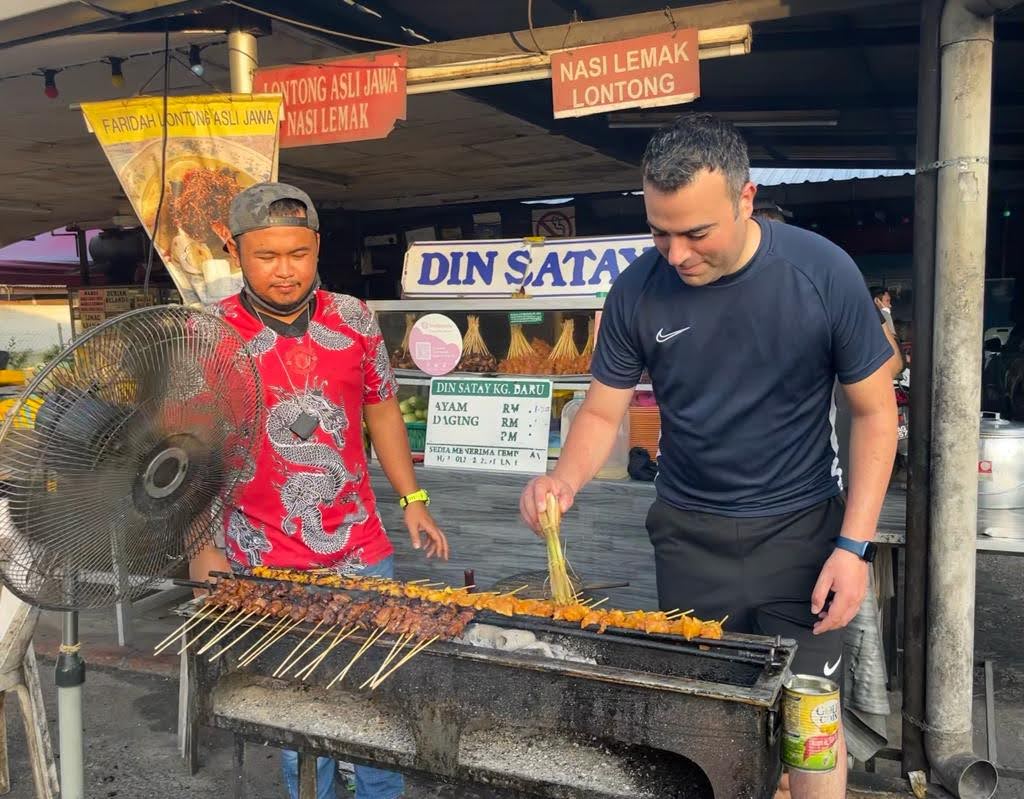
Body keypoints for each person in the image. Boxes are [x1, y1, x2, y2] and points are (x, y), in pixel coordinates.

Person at [519, 114, 897, 799]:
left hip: (802, 537)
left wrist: (854, 545)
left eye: (696, 232)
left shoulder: (821, 272)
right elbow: (602, 410)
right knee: (706, 729)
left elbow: (875, 411)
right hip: (690, 538)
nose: (676, 252)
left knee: (810, 729)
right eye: (660, 232)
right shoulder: (637, 289)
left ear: (745, 199)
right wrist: (563, 477)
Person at [190, 182, 449, 799]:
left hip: (359, 545)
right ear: (235, 250)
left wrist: (413, 501)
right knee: (294, 712)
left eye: (298, 254)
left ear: (317, 247)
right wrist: (201, 541)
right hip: (260, 553)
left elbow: (382, 409)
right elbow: (189, 449)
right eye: (266, 256)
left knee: (373, 700)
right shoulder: (208, 332)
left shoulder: (354, 318)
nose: (285, 272)